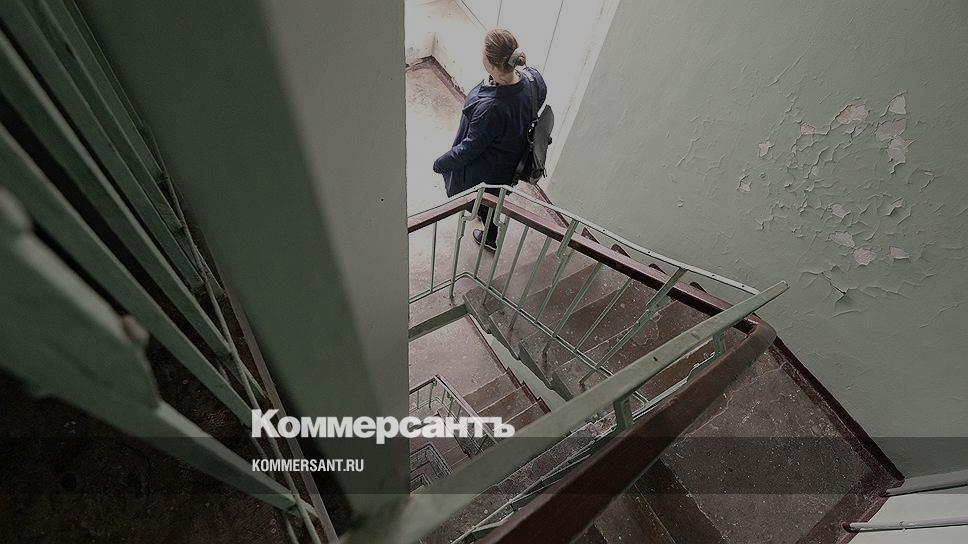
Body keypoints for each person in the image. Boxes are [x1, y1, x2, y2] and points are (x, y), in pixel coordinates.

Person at [433, 29, 548, 250]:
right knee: (495, 197)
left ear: (491, 63)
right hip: (514, 159)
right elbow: (531, 106)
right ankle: (489, 232)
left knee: (486, 199)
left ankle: (490, 237)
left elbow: (469, 149)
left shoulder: (492, 108)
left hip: (491, 169)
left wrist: (440, 164)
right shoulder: (534, 79)